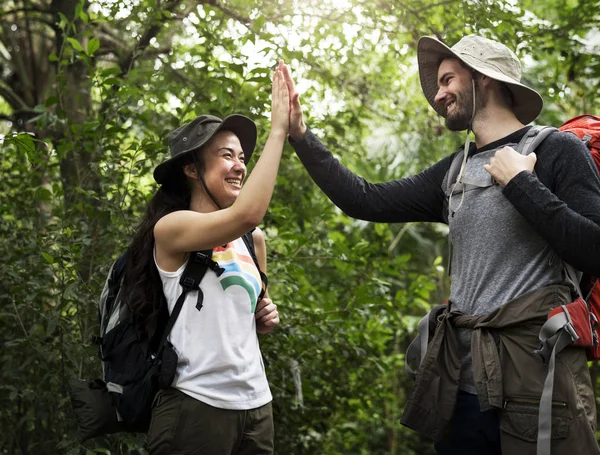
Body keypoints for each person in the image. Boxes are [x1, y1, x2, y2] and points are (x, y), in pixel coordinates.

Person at [280, 36, 600, 454]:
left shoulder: (557, 151)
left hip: (536, 384)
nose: (438, 93)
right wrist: (302, 136)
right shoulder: (454, 173)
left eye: (448, 79)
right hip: (461, 387)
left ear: (483, 78)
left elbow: (593, 249)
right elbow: (364, 198)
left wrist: (521, 184)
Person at [121, 67, 290, 454]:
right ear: (192, 168)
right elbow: (246, 213)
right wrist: (277, 130)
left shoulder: (253, 240)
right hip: (194, 406)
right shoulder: (172, 229)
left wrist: (265, 317)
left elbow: (247, 315)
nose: (240, 165)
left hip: (256, 407)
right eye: (226, 155)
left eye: (242, 157)